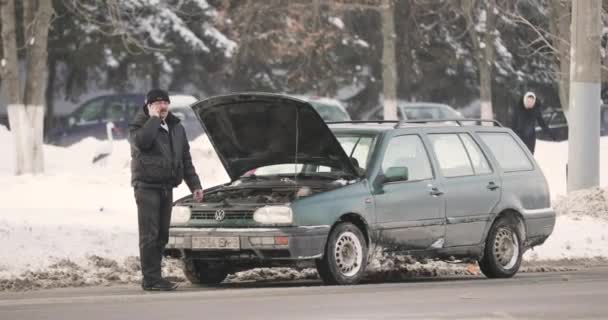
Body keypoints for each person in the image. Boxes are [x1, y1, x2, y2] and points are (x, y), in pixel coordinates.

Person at [129, 89, 204, 291]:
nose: (162, 106)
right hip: (146, 187)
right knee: (149, 235)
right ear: (148, 105)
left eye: (165, 102)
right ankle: (151, 279)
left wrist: (195, 185)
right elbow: (142, 143)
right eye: (157, 103)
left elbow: (185, 159)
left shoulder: (176, 127)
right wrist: (152, 120)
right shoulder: (138, 125)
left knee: (162, 235)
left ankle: (156, 276)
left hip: (166, 187)